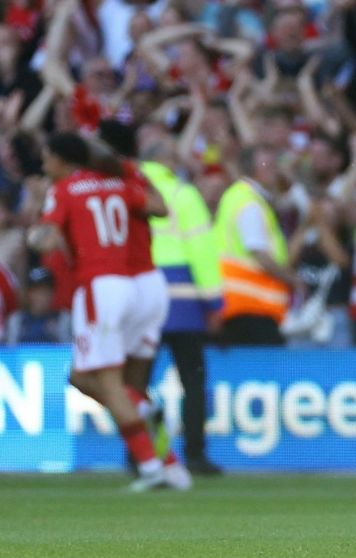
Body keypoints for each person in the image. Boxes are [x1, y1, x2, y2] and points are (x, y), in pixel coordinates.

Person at [26, 132, 185, 491]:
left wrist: (33, 232)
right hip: (139, 284)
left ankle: (150, 466)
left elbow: (46, 241)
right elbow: (160, 209)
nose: (44, 165)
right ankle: (160, 444)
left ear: (61, 160)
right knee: (92, 378)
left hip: (101, 286)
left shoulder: (65, 189)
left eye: (47, 158)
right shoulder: (120, 180)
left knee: (107, 383)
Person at [141, 141, 225, 476]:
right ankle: (195, 455)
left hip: (142, 296)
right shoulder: (182, 194)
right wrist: (214, 302)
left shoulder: (130, 191)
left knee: (138, 382)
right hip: (184, 302)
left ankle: (142, 455)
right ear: (164, 160)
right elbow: (202, 250)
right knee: (193, 380)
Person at [213, 146, 295, 345]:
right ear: (251, 168)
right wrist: (292, 279)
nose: (274, 170)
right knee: (267, 362)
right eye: (268, 165)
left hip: (238, 304)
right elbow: (258, 252)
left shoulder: (238, 195)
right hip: (252, 307)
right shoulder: (249, 202)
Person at [4, 266, 71, 344]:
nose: (41, 296)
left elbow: (68, 348)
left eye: (45, 291)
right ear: (28, 294)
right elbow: (11, 349)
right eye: (36, 291)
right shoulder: (17, 320)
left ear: (53, 293)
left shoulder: (63, 319)